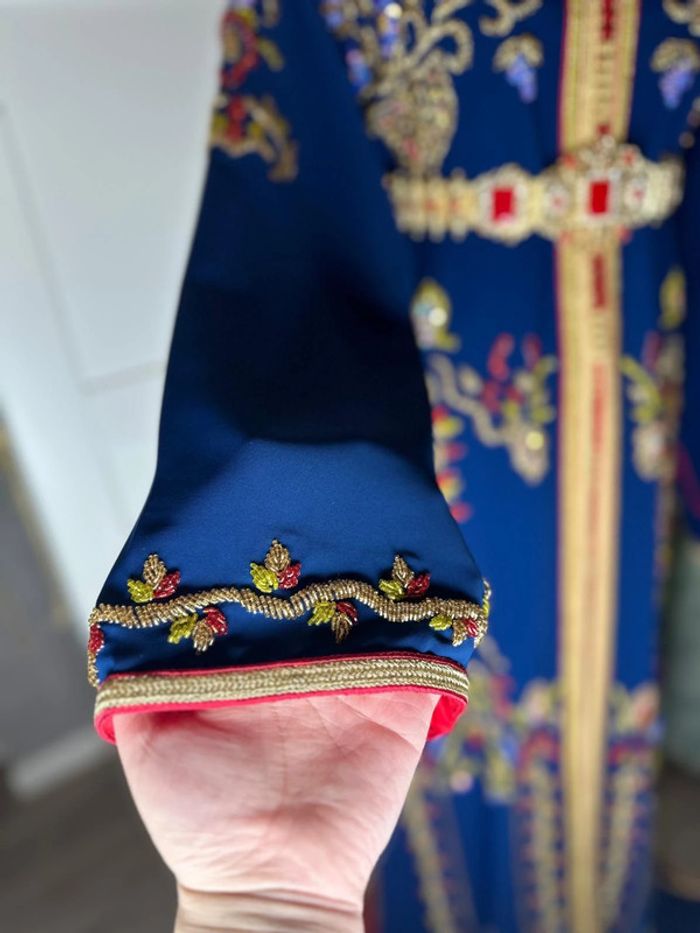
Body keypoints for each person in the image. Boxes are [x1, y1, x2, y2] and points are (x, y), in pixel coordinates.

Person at [88, 2, 700, 931]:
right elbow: (286, 157)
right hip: (430, 355)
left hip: (637, 361)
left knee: (615, 669)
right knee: (437, 685)